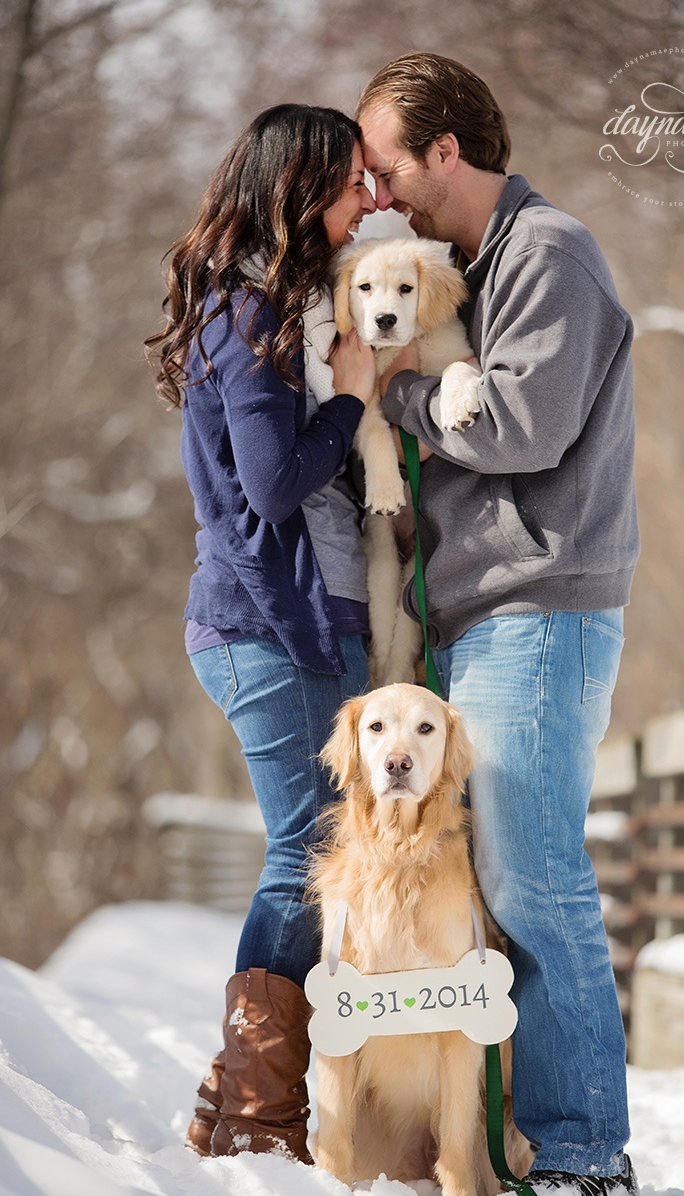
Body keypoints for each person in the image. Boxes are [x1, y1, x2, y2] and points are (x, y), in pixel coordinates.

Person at [356, 54, 640, 1196]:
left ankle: (582, 1155)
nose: (376, 192)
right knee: (499, 884)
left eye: (385, 166)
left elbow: (522, 424)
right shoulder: (461, 268)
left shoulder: (548, 254)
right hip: (483, 612)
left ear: (443, 152)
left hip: (539, 605)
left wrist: (398, 398)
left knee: (533, 881)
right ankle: (522, 1140)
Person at [144, 104, 377, 1162]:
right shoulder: (244, 317)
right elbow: (277, 485)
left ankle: (237, 1096)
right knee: (305, 850)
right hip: (259, 626)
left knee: (317, 847)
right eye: (348, 185)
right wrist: (353, 405)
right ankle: (252, 1110)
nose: (362, 201)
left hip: (280, 623)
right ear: (300, 190)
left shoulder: (266, 309)